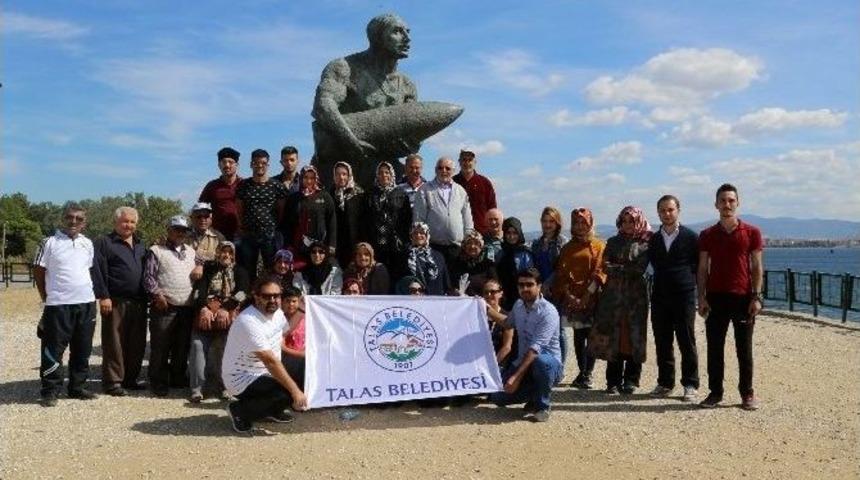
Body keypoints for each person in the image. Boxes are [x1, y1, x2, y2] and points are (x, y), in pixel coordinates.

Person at [311, 13, 417, 187]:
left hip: (384, 176)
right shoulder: (344, 67)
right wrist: (351, 140)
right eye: (397, 31)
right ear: (377, 37)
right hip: (339, 173)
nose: (407, 38)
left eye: (407, 31)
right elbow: (323, 105)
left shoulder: (407, 86)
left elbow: (412, 135)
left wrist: (409, 144)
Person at [697, 183, 763, 411]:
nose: (727, 204)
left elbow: (756, 266)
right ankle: (715, 392)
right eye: (723, 200)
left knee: (744, 349)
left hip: (743, 298)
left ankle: (747, 393)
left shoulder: (752, 232)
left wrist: (756, 296)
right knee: (714, 348)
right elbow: (703, 268)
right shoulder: (707, 235)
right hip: (715, 298)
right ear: (716, 204)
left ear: (737, 203)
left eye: (731, 200)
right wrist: (701, 297)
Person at [222, 279, 307, 433]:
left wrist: (301, 310)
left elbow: (284, 332)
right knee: (287, 393)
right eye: (267, 296)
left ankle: (271, 410)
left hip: (265, 370)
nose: (273, 300)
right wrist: (295, 392)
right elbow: (270, 361)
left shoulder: (278, 313)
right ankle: (239, 410)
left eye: (276, 296)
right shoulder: (248, 321)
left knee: (305, 369)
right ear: (256, 296)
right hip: (243, 378)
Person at [34, 203, 99, 406]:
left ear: (84, 223)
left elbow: (87, 269)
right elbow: (38, 270)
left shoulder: (88, 243)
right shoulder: (49, 242)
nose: (74, 221)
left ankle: (77, 386)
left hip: (86, 303)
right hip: (59, 305)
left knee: (83, 347)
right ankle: (50, 390)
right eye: (70, 217)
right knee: (53, 348)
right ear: (63, 218)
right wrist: (47, 297)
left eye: (79, 219)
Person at [589, 206, 652, 395]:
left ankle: (631, 380)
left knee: (634, 337)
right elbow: (606, 266)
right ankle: (613, 382)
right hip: (613, 297)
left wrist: (619, 267)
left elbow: (639, 269)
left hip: (636, 298)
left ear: (638, 221)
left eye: (631, 221)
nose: (627, 225)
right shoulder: (613, 241)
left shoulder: (646, 243)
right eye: (624, 221)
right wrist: (623, 267)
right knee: (613, 338)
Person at [488, 268, 563, 423]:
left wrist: (515, 377)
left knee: (540, 362)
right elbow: (507, 323)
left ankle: (543, 406)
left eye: (530, 285)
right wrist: (486, 309)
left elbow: (535, 349)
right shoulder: (518, 305)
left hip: (547, 364)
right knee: (497, 398)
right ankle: (535, 394)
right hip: (523, 362)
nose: (525, 289)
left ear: (539, 286)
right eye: (521, 285)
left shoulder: (548, 312)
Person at [648, 195, 700, 402]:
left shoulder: (691, 237)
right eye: (662, 210)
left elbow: (699, 266)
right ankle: (665, 383)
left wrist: (699, 294)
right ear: (658, 212)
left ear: (678, 210)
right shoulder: (653, 239)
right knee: (662, 341)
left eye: (670, 209)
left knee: (686, 340)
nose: (667, 214)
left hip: (684, 296)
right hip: (660, 296)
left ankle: (690, 383)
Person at [92, 206, 148, 396]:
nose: (129, 225)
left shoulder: (141, 245)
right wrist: (103, 296)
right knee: (114, 343)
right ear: (116, 222)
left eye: (132, 222)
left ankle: (130, 379)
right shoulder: (105, 242)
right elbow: (97, 270)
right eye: (125, 221)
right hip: (115, 300)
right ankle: (113, 382)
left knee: (137, 343)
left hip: (139, 301)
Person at [188, 241, 249, 403]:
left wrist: (225, 309)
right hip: (206, 314)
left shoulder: (240, 271)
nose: (226, 255)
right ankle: (197, 388)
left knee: (226, 348)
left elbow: (243, 293)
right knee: (197, 345)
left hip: (228, 316)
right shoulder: (208, 269)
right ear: (217, 252)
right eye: (223, 251)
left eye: (230, 252)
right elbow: (198, 291)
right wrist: (203, 308)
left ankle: (226, 386)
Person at [552, 208, 606, 390]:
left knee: (591, 336)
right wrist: (569, 296)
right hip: (572, 298)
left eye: (584, 222)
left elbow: (600, 272)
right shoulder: (568, 248)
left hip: (592, 297)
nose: (580, 226)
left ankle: (588, 374)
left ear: (590, 223)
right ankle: (581, 372)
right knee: (577, 336)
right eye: (577, 223)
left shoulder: (598, 246)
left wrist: (587, 296)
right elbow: (562, 273)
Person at [143, 215, 197, 397]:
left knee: (181, 346)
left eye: (184, 230)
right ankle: (157, 380)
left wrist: (202, 266)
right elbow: (148, 277)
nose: (180, 233)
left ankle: (177, 377)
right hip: (165, 305)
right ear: (169, 230)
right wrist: (157, 294)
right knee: (161, 345)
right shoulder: (156, 250)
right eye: (176, 229)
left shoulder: (191, 251)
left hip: (186, 306)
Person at [235, 149, 288, 282]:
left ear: (268, 165)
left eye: (263, 163)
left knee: (271, 269)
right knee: (248, 269)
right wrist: (242, 225)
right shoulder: (243, 185)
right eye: (256, 163)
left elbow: (281, 210)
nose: (260, 166)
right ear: (251, 164)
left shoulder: (277, 186)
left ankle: (272, 296)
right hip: (248, 234)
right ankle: (250, 298)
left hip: (269, 235)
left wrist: (275, 226)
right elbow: (239, 208)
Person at [413, 156, 473, 268]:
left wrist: (468, 243)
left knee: (454, 282)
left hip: (456, 248)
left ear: (453, 171)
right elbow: (418, 219)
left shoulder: (460, 191)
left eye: (448, 168)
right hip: (433, 247)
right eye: (440, 168)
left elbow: (467, 220)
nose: (444, 171)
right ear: (435, 170)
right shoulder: (425, 189)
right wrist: (420, 243)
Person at [531, 206, 569, 363]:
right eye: (545, 221)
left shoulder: (563, 243)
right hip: (540, 291)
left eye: (551, 221)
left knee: (558, 330)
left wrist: (547, 284)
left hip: (557, 290)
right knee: (542, 328)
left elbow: (562, 268)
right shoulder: (536, 243)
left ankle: (560, 365)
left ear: (557, 223)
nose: (547, 225)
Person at [367, 161, 412, 275]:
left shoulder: (401, 194)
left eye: (387, 172)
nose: (384, 175)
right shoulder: (371, 194)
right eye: (381, 173)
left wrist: (403, 240)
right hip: (376, 244)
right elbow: (365, 219)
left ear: (392, 174)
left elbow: (406, 220)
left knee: (394, 275)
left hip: (395, 245)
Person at [282, 165, 337, 255]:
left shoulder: (325, 196)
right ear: (301, 178)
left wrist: (332, 244)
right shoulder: (294, 198)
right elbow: (287, 223)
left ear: (316, 178)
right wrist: (288, 244)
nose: (309, 181)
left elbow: (332, 221)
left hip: (320, 246)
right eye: (306, 177)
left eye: (312, 178)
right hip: (298, 244)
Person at [199, 147, 242, 241]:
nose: (227, 165)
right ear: (219, 165)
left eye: (230, 162)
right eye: (223, 162)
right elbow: (200, 208)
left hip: (241, 234)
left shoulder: (245, 184)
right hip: (217, 234)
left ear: (237, 165)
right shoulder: (212, 186)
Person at [330, 161, 366, 268]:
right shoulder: (330, 194)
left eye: (344, 174)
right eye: (338, 174)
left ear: (349, 175)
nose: (341, 177)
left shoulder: (359, 194)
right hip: (337, 244)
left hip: (354, 243)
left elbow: (364, 221)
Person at [453, 149, 497, 236]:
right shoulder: (452, 182)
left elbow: (492, 208)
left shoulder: (484, 182)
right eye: (464, 160)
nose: (467, 163)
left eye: (470, 160)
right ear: (459, 162)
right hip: (457, 233)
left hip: (482, 233)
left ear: (475, 162)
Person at [497, 217, 535, 311]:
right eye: (508, 233)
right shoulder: (500, 253)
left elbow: (529, 276)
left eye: (515, 233)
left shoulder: (525, 253)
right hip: (504, 298)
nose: (511, 236)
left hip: (522, 297)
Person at [404, 222, 451, 296]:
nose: (418, 235)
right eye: (415, 233)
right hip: (412, 301)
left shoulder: (438, 256)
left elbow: (445, 282)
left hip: (435, 300)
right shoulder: (404, 255)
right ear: (411, 236)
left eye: (422, 233)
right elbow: (399, 281)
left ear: (427, 235)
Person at [448, 229, 496, 296]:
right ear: (464, 246)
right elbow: (450, 285)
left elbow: (494, 286)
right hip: (461, 302)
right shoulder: (456, 263)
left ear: (481, 246)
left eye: (476, 243)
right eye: (469, 243)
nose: (472, 246)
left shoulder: (487, 265)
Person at [482, 278, 515, 367]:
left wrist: (491, 366)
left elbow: (507, 347)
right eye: (486, 292)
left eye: (493, 292)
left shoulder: (507, 316)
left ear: (500, 293)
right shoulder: (479, 316)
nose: (489, 295)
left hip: (499, 363)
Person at [280, 286, 306, 392]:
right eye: (288, 301)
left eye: (294, 301)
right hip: (287, 360)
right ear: (282, 302)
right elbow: (281, 347)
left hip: (304, 358)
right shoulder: (278, 319)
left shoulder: (307, 319)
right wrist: (302, 355)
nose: (291, 304)